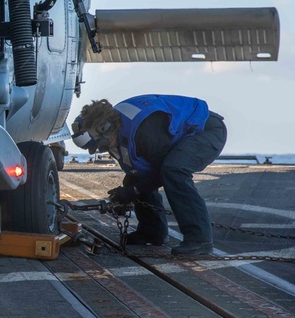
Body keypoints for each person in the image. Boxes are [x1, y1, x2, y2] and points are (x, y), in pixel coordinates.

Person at [71, 95, 228, 256]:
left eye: (101, 145)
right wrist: (129, 192)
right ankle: (153, 232)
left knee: (174, 171)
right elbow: (141, 173)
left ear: (105, 128)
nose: (102, 149)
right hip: (181, 136)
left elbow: (159, 172)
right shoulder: (118, 127)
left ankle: (200, 240)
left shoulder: (145, 132)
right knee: (134, 178)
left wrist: (133, 192)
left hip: (206, 131)